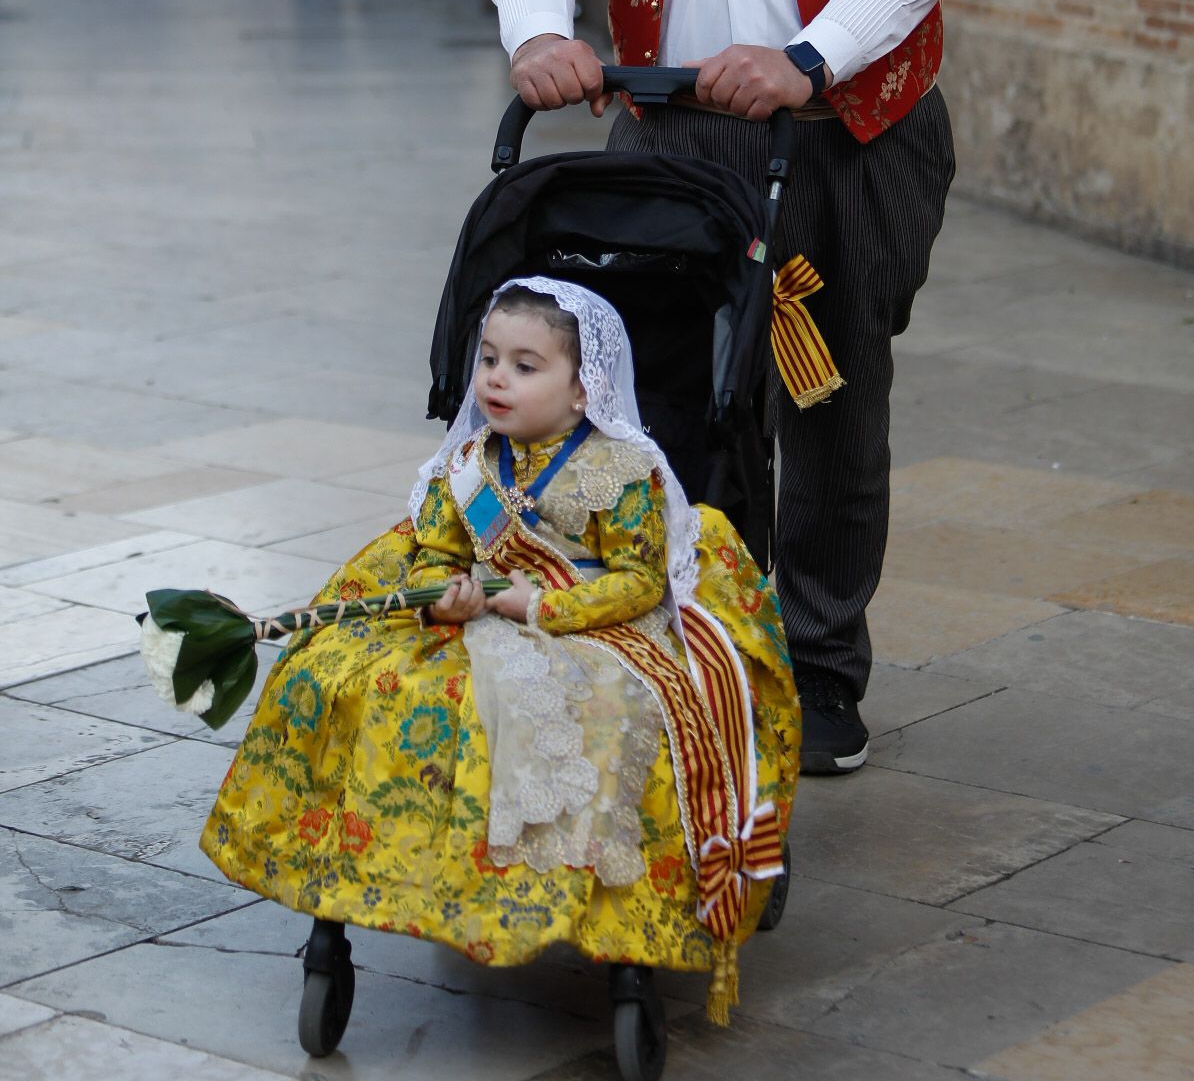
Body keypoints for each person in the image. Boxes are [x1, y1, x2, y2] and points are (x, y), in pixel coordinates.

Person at [483, 0, 977, 776]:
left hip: (842, 135)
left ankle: (819, 671)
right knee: (688, 405)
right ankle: (712, 640)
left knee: (826, 399)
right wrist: (540, 28)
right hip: (673, 140)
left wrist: (807, 57)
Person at [202, 279, 798, 1022]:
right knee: (355, 681)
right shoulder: (469, 467)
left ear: (583, 390)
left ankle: (584, 902)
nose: (494, 379)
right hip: (483, 617)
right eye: (488, 358)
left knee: (605, 713)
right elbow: (435, 552)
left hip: (589, 624)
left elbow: (641, 581)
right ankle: (381, 874)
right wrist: (442, 590)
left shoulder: (619, 471)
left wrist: (544, 605)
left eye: (524, 365)